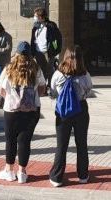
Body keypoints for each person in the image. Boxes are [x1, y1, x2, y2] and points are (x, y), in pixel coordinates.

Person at [0, 41, 45, 184]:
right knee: (25, 141)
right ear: (30, 54)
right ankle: (22, 173)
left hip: (11, 110)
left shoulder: (9, 68)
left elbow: (1, 90)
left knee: (10, 140)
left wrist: (13, 99)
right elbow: (42, 89)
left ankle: (9, 171)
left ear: (16, 53)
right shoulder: (36, 68)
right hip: (32, 110)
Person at [49, 45, 92, 187]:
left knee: (61, 145)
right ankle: (83, 175)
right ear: (80, 58)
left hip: (63, 113)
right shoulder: (84, 74)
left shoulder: (58, 74)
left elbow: (53, 92)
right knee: (82, 144)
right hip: (81, 110)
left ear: (65, 57)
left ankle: (56, 177)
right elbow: (88, 90)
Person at [31, 7, 62, 95]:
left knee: (49, 70)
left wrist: (56, 50)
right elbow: (33, 39)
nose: (34, 17)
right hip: (38, 52)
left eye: (35, 15)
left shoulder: (51, 25)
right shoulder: (36, 26)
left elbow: (58, 39)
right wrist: (32, 52)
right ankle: (43, 88)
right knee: (41, 71)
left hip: (48, 52)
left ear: (41, 16)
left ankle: (50, 87)